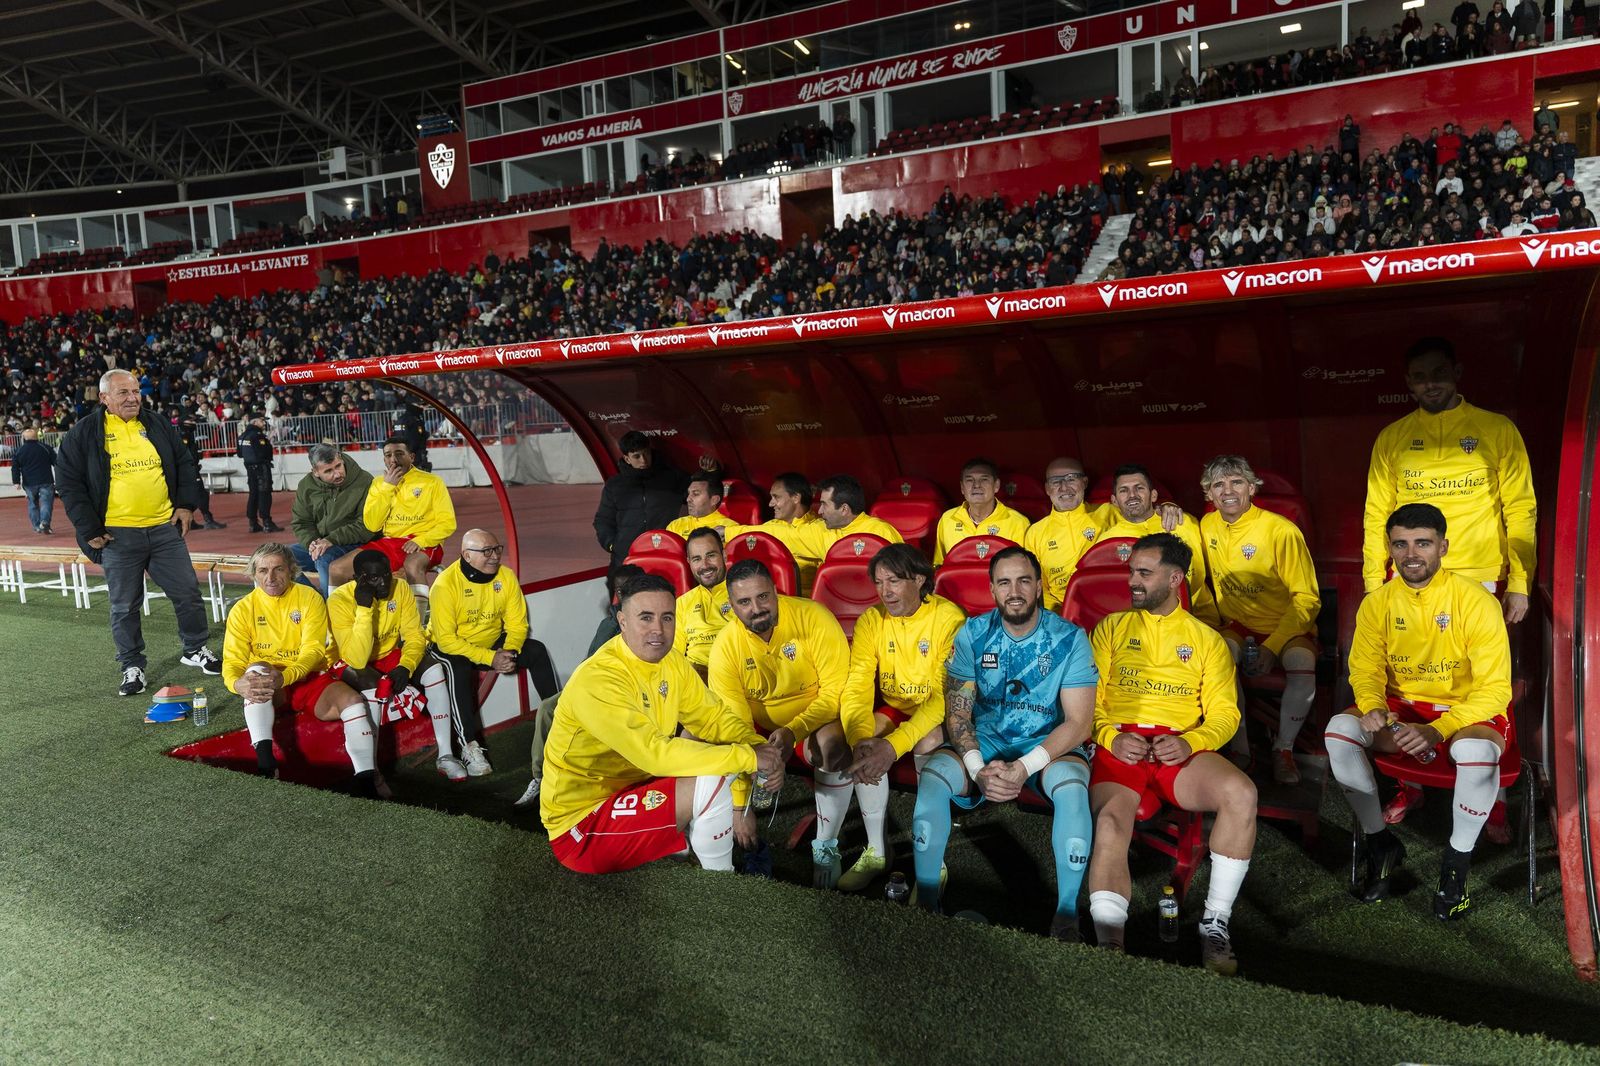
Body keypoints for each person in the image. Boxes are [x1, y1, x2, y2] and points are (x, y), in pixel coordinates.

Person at [1328, 504, 1512, 920]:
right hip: (1400, 710)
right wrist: (1374, 707)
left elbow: (1496, 689)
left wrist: (1440, 729)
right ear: (1390, 548)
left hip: (1464, 712)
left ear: (1443, 547)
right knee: (1339, 730)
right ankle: (1381, 844)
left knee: (1476, 755)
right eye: (1401, 544)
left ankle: (1455, 869)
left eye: (1422, 543)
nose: (1411, 554)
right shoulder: (1378, 603)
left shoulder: (1477, 601)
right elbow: (1365, 668)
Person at [1086, 533, 1254, 976]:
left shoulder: (1206, 640)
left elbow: (1225, 714)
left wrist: (1191, 742)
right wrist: (1107, 735)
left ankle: (1215, 925)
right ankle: (1110, 945)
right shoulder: (1110, 628)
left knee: (1241, 793)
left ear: (1175, 578)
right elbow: (1088, 702)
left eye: (1144, 573)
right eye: (1131, 572)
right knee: (1108, 822)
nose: (1133, 581)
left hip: (1178, 747)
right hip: (1120, 743)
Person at [540, 573, 786, 874]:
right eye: (645, 617)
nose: (658, 630)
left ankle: (683, 841)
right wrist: (750, 758)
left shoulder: (670, 661)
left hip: (633, 787)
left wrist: (756, 745)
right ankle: (722, 884)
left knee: (707, 750)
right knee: (713, 779)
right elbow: (655, 755)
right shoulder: (599, 679)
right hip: (581, 825)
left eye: (667, 618)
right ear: (622, 621)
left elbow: (712, 717)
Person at [910, 546, 1097, 939]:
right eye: (1005, 582)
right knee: (932, 779)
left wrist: (1023, 768)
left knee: (1072, 790)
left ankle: (1065, 916)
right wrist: (977, 770)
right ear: (992, 589)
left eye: (1024, 580)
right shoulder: (973, 634)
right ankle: (927, 901)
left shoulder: (1069, 638)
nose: (1015, 591)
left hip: (1047, 744)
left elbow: (1079, 723)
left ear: (1039, 586)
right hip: (986, 741)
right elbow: (958, 712)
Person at [56, 369, 222, 697]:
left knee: (188, 593)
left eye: (135, 391)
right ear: (104, 398)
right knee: (124, 605)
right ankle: (132, 665)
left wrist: (187, 505)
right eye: (123, 393)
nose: (132, 398)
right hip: (117, 536)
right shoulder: (85, 433)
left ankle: (195, 649)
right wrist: (88, 528)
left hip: (163, 529)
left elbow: (185, 463)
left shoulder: (156, 423)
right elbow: (68, 482)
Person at [1363, 337, 1536, 625]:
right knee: (1414, 667)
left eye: (1439, 373)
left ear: (1457, 372)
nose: (1430, 385)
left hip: (1481, 574)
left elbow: (1521, 509)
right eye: (1420, 377)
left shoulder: (1498, 429)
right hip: (1411, 573)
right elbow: (1376, 514)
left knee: (1477, 668)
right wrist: (1373, 582)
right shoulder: (1391, 438)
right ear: (1409, 382)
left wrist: (1520, 582)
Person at [831, 544, 967, 889]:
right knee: (860, 741)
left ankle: (931, 855)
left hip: (942, 710)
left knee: (929, 738)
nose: (885, 591)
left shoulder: (949, 619)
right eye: (878, 582)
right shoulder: (872, 619)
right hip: (896, 706)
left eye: (893, 580)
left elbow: (943, 699)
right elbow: (858, 684)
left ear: (919, 579)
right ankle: (877, 850)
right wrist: (860, 739)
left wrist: (892, 747)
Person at [706, 558, 850, 855]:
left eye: (763, 597)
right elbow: (734, 723)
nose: (756, 608)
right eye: (744, 601)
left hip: (812, 720)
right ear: (731, 605)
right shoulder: (725, 645)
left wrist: (793, 732)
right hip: (758, 728)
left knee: (832, 747)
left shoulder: (814, 617)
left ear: (776, 591)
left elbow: (834, 695)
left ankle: (826, 844)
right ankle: (702, 836)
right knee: (698, 738)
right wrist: (741, 806)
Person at [222, 542, 387, 797]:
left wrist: (286, 676)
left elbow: (313, 651)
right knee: (257, 673)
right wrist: (236, 684)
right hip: (271, 686)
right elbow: (232, 661)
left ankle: (366, 783)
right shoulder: (242, 609)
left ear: (291, 570)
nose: (271, 577)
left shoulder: (309, 598)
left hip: (308, 678)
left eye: (278, 569)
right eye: (263, 570)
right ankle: (266, 765)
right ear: (253, 573)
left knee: (353, 701)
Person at [1198, 456, 1321, 785]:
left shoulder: (1281, 530)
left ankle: (1284, 748)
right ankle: (1241, 750)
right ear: (1208, 494)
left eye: (1236, 482)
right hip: (1238, 625)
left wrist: (1273, 646)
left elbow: (1307, 599)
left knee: (1301, 660)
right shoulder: (1206, 526)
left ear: (1251, 488)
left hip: (1286, 624)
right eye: (1218, 484)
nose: (1227, 490)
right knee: (1217, 657)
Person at [426, 529, 554, 779]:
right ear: (467, 555)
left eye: (497, 549)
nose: (495, 556)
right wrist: (490, 658)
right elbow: (447, 640)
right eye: (487, 551)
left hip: (492, 643)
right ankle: (469, 747)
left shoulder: (505, 577)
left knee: (536, 650)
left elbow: (517, 625)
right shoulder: (445, 585)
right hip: (453, 647)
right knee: (458, 668)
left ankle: (560, 722)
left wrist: (511, 650)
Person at [327, 548, 452, 771]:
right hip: (349, 658)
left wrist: (406, 666)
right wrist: (365, 609)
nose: (385, 583)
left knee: (434, 669)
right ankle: (372, 770)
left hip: (387, 654)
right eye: (375, 578)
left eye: (387, 574)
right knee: (373, 684)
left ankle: (446, 756)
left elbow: (414, 636)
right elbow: (356, 658)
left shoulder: (400, 587)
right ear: (358, 579)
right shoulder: (339, 600)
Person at [328, 437, 456, 594]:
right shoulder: (379, 483)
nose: (393, 460)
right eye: (388, 455)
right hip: (390, 542)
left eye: (400, 454)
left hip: (425, 542)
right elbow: (372, 525)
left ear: (412, 457)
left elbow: (447, 523)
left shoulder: (432, 482)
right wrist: (388, 487)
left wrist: (421, 540)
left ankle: (419, 617)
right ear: (384, 459)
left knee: (411, 566)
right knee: (336, 569)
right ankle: (338, 616)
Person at [1097, 464, 1219, 625]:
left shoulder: (1184, 522)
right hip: (1144, 625)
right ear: (1114, 501)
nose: (1132, 495)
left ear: (1153, 495)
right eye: (1124, 490)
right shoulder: (1106, 542)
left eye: (1139, 488)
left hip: (1200, 616)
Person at [593, 430, 712, 569]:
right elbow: (603, 520)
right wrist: (613, 545)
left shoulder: (671, 478)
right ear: (627, 459)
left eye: (646, 453)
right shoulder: (614, 485)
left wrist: (711, 473)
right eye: (636, 456)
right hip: (625, 559)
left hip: (665, 554)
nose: (643, 460)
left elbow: (699, 492)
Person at [289, 443, 375, 596]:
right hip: (322, 544)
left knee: (324, 559)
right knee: (282, 556)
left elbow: (367, 525)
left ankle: (332, 611)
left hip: (357, 544)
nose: (337, 474)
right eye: (328, 471)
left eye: (338, 466)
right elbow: (302, 522)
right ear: (315, 472)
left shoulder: (365, 481)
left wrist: (331, 540)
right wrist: (312, 542)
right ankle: (315, 602)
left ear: (340, 458)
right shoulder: (306, 486)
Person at [1024, 457, 1107, 612]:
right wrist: (1058, 615)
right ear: (1047, 489)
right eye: (1056, 481)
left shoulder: (1108, 514)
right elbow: (1037, 585)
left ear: (1085, 482)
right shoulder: (1035, 532)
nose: (1064, 487)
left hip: (1107, 606)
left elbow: (1145, 519)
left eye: (1071, 479)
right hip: (1061, 613)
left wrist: (1166, 507)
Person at [931, 457, 1032, 565]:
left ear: (996, 486)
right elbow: (939, 566)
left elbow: (1026, 570)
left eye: (984, 479)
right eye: (970, 480)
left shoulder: (1018, 523)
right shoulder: (948, 519)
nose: (976, 485)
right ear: (962, 488)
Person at [674, 527, 733, 674]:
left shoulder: (745, 595)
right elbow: (674, 654)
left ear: (724, 555)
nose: (705, 565)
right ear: (688, 562)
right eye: (697, 559)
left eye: (711, 555)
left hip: (733, 671)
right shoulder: (681, 603)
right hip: (694, 677)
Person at [756, 471, 825, 593]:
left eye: (776, 497)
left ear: (796, 498)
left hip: (804, 603)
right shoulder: (770, 526)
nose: (770, 503)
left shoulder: (819, 529)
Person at [814, 474, 905, 551]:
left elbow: (902, 569)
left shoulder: (882, 532)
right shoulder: (821, 529)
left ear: (844, 509)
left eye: (824, 505)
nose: (819, 511)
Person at [237, 411, 280, 534]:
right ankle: (267, 522)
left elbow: (240, 454)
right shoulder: (258, 436)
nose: (264, 423)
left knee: (253, 494)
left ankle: (253, 523)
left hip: (249, 468)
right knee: (265, 494)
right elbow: (264, 453)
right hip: (261, 468)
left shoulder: (242, 436)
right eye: (262, 421)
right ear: (255, 422)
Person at [177, 421, 226, 530]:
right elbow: (185, 454)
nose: (193, 423)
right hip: (190, 470)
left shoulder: (187, 436)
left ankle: (190, 521)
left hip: (190, 469)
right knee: (201, 495)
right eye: (190, 421)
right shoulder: (184, 437)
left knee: (190, 496)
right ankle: (208, 519)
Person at [665, 472, 740, 539]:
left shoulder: (729, 528)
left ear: (714, 500)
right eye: (689, 493)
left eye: (696, 494)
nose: (688, 499)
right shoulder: (675, 525)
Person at [11, 426, 57, 534]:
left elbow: (15, 468)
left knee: (33, 504)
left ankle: (37, 526)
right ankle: (45, 522)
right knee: (46, 503)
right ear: (36, 437)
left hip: (29, 483)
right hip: (46, 480)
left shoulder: (19, 451)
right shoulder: (45, 448)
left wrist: (16, 482)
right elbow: (57, 462)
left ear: (24, 438)